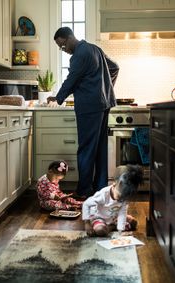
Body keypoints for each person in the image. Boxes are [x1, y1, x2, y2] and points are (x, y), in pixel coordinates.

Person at [52, 27, 120, 199]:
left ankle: (83, 191)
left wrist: (57, 99)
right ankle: (100, 188)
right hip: (104, 104)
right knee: (99, 148)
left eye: (62, 45)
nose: (64, 50)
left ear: (68, 38)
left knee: (86, 149)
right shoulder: (95, 49)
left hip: (90, 106)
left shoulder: (79, 55)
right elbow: (115, 68)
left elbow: (71, 80)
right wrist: (104, 87)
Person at [82, 165, 143, 237]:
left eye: (124, 198)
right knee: (100, 230)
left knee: (134, 223)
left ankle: (113, 226)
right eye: (119, 196)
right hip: (99, 217)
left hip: (113, 217)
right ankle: (112, 227)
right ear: (114, 184)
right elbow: (86, 204)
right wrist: (87, 223)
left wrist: (121, 230)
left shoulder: (123, 199)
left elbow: (122, 213)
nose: (120, 200)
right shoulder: (103, 195)